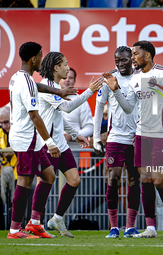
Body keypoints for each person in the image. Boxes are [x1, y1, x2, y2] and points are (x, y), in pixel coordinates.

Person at [103, 40, 163, 238]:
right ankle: (151, 227)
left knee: (158, 180)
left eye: (135, 54)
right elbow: (128, 107)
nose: (133, 58)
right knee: (145, 179)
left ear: (147, 55)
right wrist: (115, 90)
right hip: (141, 135)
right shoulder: (136, 78)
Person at [37, 51, 103, 237]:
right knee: (45, 184)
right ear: (56, 68)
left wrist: (76, 135)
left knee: (74, 180)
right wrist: (90, 91)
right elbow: (67, 108)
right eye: (65, 64)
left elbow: (60, 118)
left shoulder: (56, 88)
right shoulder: (47, 87)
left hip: (62, 146)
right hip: (48, 145)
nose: (68, 67)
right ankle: (35, 222)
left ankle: (57, 218)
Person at [7, 41, 63, 239]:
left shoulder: (17, 77)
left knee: (49, 176)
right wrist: (50, 142)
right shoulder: (27, 81)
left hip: (31, 138)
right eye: (40, 56)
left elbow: (35, 86)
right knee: (24, 181)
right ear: (33, 59)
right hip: (26, 138)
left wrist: (58, 91)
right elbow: (35, 116)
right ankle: (14, 229)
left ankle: (35, 223)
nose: (42, 60)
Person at [93, 46, 140, 238]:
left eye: (124, 60)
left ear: (132, 60)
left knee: (134, 180)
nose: (120, 64)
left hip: (136, 137)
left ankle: (130, 226)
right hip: (115, 137)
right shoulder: (108, 79)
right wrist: (97, 137)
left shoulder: (140, 79)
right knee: (113, 178)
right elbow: (98, 108)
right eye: (117, 60)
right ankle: (113, 227)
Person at [60, 68, 94, 147]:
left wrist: (73, 136)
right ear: (59, 79)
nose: (67, 80)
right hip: (51, 147)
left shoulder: (82, 102)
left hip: (73, 148)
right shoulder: (51, 98)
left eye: (70, 78)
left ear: (75, 81)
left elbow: (90, 128)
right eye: (64, 77)